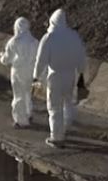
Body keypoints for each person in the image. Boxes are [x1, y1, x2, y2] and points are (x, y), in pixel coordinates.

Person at [33, 8, 86, 147]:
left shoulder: (49, 37)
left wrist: (36, 76)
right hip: (70, 75)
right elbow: (81, 56)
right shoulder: (74, 36)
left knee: (55, 107)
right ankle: (67, 127)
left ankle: (57, 137)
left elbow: (41, 60)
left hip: (54, 76)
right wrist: (81, 71)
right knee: (68, 102)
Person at [0, 16, 38, 127]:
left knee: (18, 95)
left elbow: (7, 59)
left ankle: (21, 120)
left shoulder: (14, 41)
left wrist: (2, 57)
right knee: (27, 93)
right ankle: (28, 113)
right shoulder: (35, 42)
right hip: (30, 70)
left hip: (18, 70)